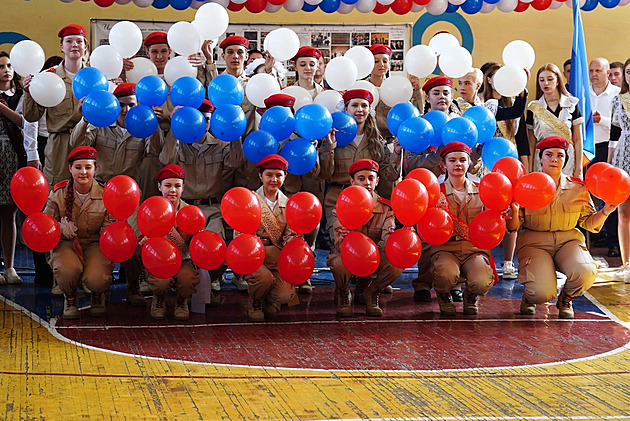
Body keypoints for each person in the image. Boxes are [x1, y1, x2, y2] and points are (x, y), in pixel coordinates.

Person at [507, 137, 616, 319]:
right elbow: (514, 227)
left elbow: (589, 223)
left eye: (560, 155)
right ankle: (530, 297)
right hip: (534, 242)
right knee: (542, 292)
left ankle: (566, 298)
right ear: (540, 158)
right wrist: (514, 211)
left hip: (568, 241)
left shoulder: (578, 188)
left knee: (586, 272)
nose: (554, 159)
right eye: (549, 155)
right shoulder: (526, 185)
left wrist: (605, 211)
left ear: (566, 159)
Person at [319, 88, 400, 300]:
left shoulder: (377, 139)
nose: (360, 110)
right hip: (339, 198)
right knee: (342, 241)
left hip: (369, 200)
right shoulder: (333, 135)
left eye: (364, 105)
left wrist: (398, 156)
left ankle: (369, 281)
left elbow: (388, 174)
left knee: (371, 239)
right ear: (345, 109)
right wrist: (329, 148)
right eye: (354, 105)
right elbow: (325, 174)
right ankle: (343, 286)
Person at [160, 99, 246, 292]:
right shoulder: (180, 143)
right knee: (177, 246)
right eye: (198, 120)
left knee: (216, 246)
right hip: (184, 207)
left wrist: (235, 131)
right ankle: (181, 281)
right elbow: (166, 160)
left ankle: (212, 278)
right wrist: (174, 129)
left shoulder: (220, 143)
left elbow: (235, 163)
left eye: (207, 120)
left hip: (211, 208)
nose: (203, 124)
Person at [43, 146, 115, 319]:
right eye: (78, 167)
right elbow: (45, 225)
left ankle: (98, 294)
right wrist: (60, 229)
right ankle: (70, 297)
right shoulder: (58, 194)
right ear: (70, 169)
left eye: (88, 167)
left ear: (96, 169)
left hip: (95, 244)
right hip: (66, 243)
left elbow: (109, 231)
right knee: (67, 270)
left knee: (97, 278)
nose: (83, 172)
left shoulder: (106, 195)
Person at [427, 142, 496, 315]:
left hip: (474, 249)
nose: (458, 164)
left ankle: (471, 296)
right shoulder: (435, 192)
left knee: (481, 280)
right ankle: (443, 294)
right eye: (452, 160)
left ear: (468, 163)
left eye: (462, 160)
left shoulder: (483, 191)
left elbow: (492, 222)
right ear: (443, 165)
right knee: (444, 274)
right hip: (445, 248)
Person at [328, 159, 402, 317]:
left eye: (371, 178)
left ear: (377, 181)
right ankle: (343, 292)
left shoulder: (386, 208)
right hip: (348, 253)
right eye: (361, 179)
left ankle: (371, 292)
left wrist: (370, 257)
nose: (367, 183)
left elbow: (387, 239)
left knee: (396, 264)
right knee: (339, 264)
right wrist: (360, 252)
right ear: (352, 181)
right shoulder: (342, 206)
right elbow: (340, 241)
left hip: (373, 256)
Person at [481, 63, 530, 281]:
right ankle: (484, 259)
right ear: (488, 80)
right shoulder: (485, 105)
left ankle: (508, 262)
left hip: (509, 163)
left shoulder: (507, 107)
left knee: (512, 212)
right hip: (486, 164)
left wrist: (522, 89)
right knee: (487, 214)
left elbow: (517, 112)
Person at [23, 24, 87, 187]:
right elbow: (31, 116)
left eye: (79, 41)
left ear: (85, 46)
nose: (74, 45)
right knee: (58, 189)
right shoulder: (48, 77)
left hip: (89, 141)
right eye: (69, 41)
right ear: (61, 47)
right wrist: (28, 92)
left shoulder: (96, 77)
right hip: (59, 144)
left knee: (88, 192)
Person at [243, 154, 299, 322]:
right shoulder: (249, 201)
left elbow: (290, 236)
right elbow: (242, 235)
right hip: (254, 256)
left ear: (285, 177)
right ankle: (255, 301)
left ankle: (269, 297)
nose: (274, 179)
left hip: (277, 257)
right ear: (260, 176)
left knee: (284, 296)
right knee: (264, 279)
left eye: (279, 175)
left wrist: (295, 241)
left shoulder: (290, 205)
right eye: (269, 175)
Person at [69, 83, 162, 185]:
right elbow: (77, 144)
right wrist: (85, 119)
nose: (126, 110)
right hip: (100, 185)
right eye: (121, 105)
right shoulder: (101, 124)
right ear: (114, 105)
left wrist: (154, 124)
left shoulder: (143, 129)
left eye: (131, 105)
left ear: (138, 105)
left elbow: (155, 151)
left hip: (127, 188)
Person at [0, 52, 38, 284]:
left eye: (9, 65)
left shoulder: (22, 96)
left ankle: (11, 266)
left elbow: (26, 122)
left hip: (14, 156)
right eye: (1, 66)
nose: (6, 69)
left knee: (9, 213)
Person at [143, 164, 200, 320]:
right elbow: (141, 241)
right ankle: (158, 298)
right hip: (159, 259)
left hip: (183, 259)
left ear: (183, 188)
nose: (173, 190)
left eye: (177, 186)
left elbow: (197, 244)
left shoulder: (190, 212)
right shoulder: (150, 210)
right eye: (168, 185)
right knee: (161, 282)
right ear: (159, 186)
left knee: (188, 278)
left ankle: (182, 300)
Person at [526, 63, 583, 178]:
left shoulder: (571, 104)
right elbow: (531, 143)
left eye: (550, 79)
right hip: (542, 160)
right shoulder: (534, 107)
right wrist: (530, 168)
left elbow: (577, 139)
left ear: (558, 81)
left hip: (567, 158)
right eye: (541, 80)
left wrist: (579, 168)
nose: (545, 83)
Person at [589, 58, 621, 258]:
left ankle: (613, 242)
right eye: (591, 70)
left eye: (598, 70)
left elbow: (620, 126)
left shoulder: (617, 95)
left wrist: (603, 120)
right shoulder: (583, 92)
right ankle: (585, 240)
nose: (594, 74)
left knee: (610, 196)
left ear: (607, 72)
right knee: (585, 194)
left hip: (610, 149)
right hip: (587, 149)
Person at [609, 58, 630, 282]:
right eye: (628, 72)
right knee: (623, 212)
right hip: (623, 154)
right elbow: (615, 133)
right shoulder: (618, 99)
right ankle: (626, 264)